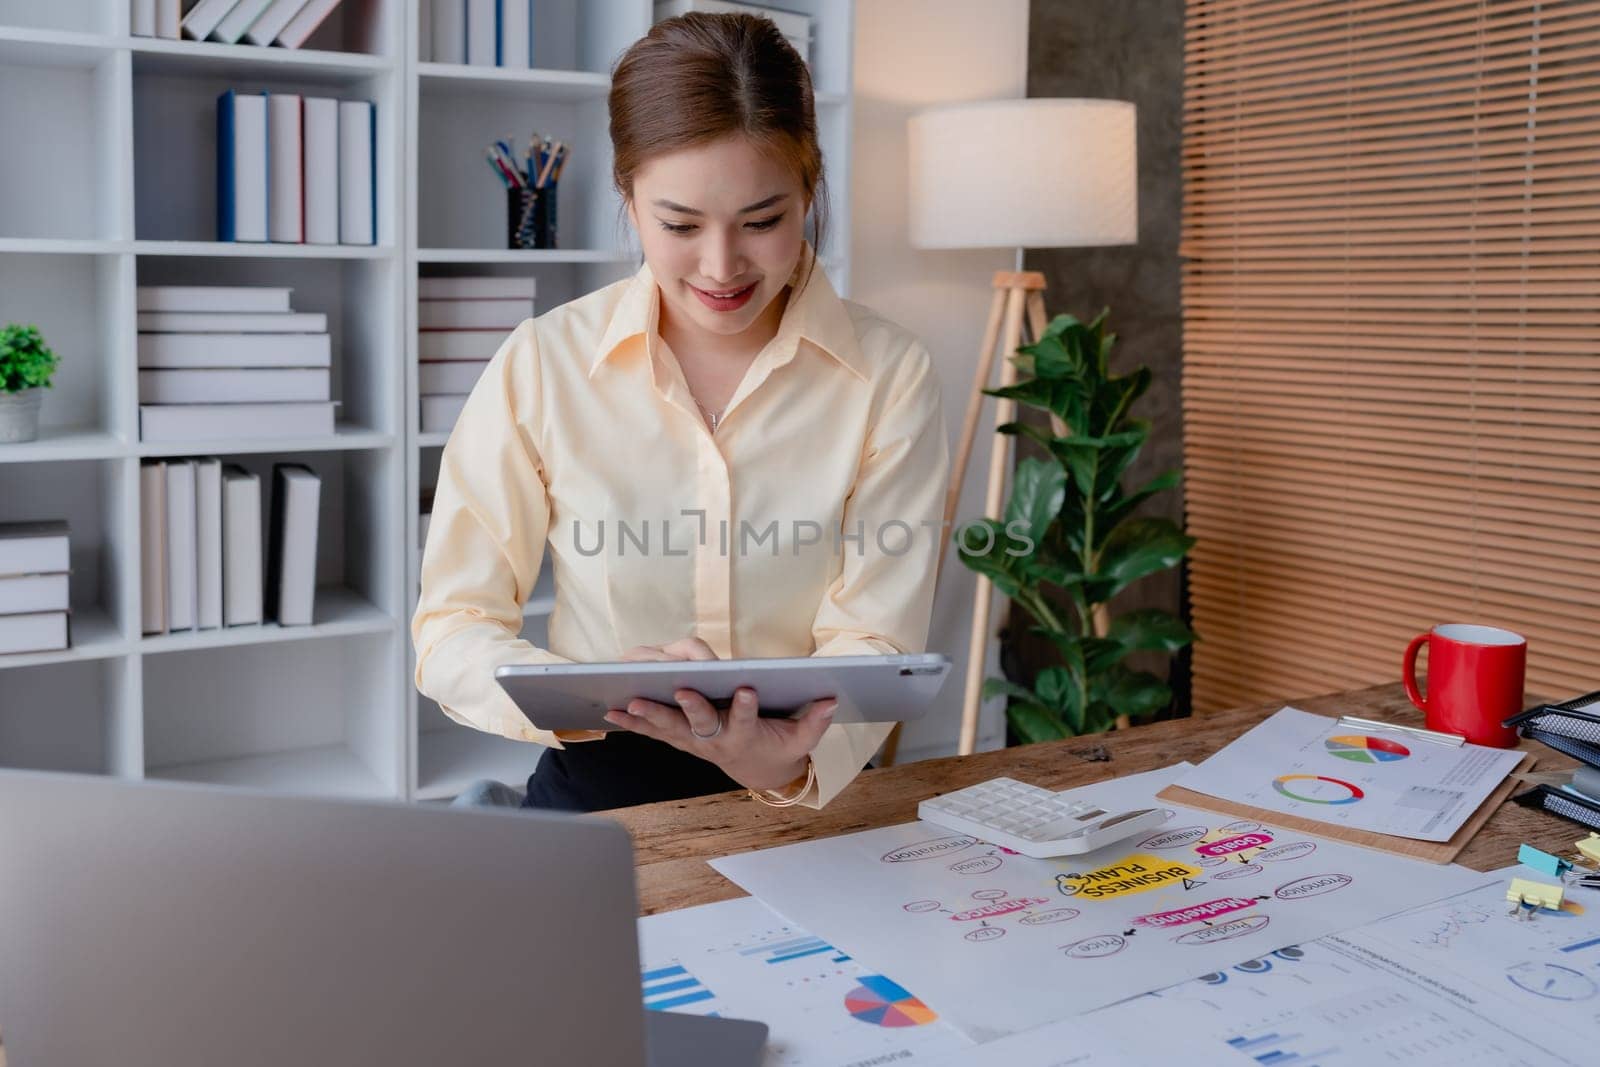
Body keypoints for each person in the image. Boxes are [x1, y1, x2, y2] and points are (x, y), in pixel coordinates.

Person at [412, 12, 948, 813]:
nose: (722, 265)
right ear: (628, 196)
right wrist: (587, 694)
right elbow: (455, 620)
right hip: (599, 781)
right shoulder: (544, 362)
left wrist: (776, 764)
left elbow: (878, 633)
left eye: (763, 221)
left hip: (808, 792)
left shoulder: (890, 373)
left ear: (811, 189)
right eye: (680, 224)